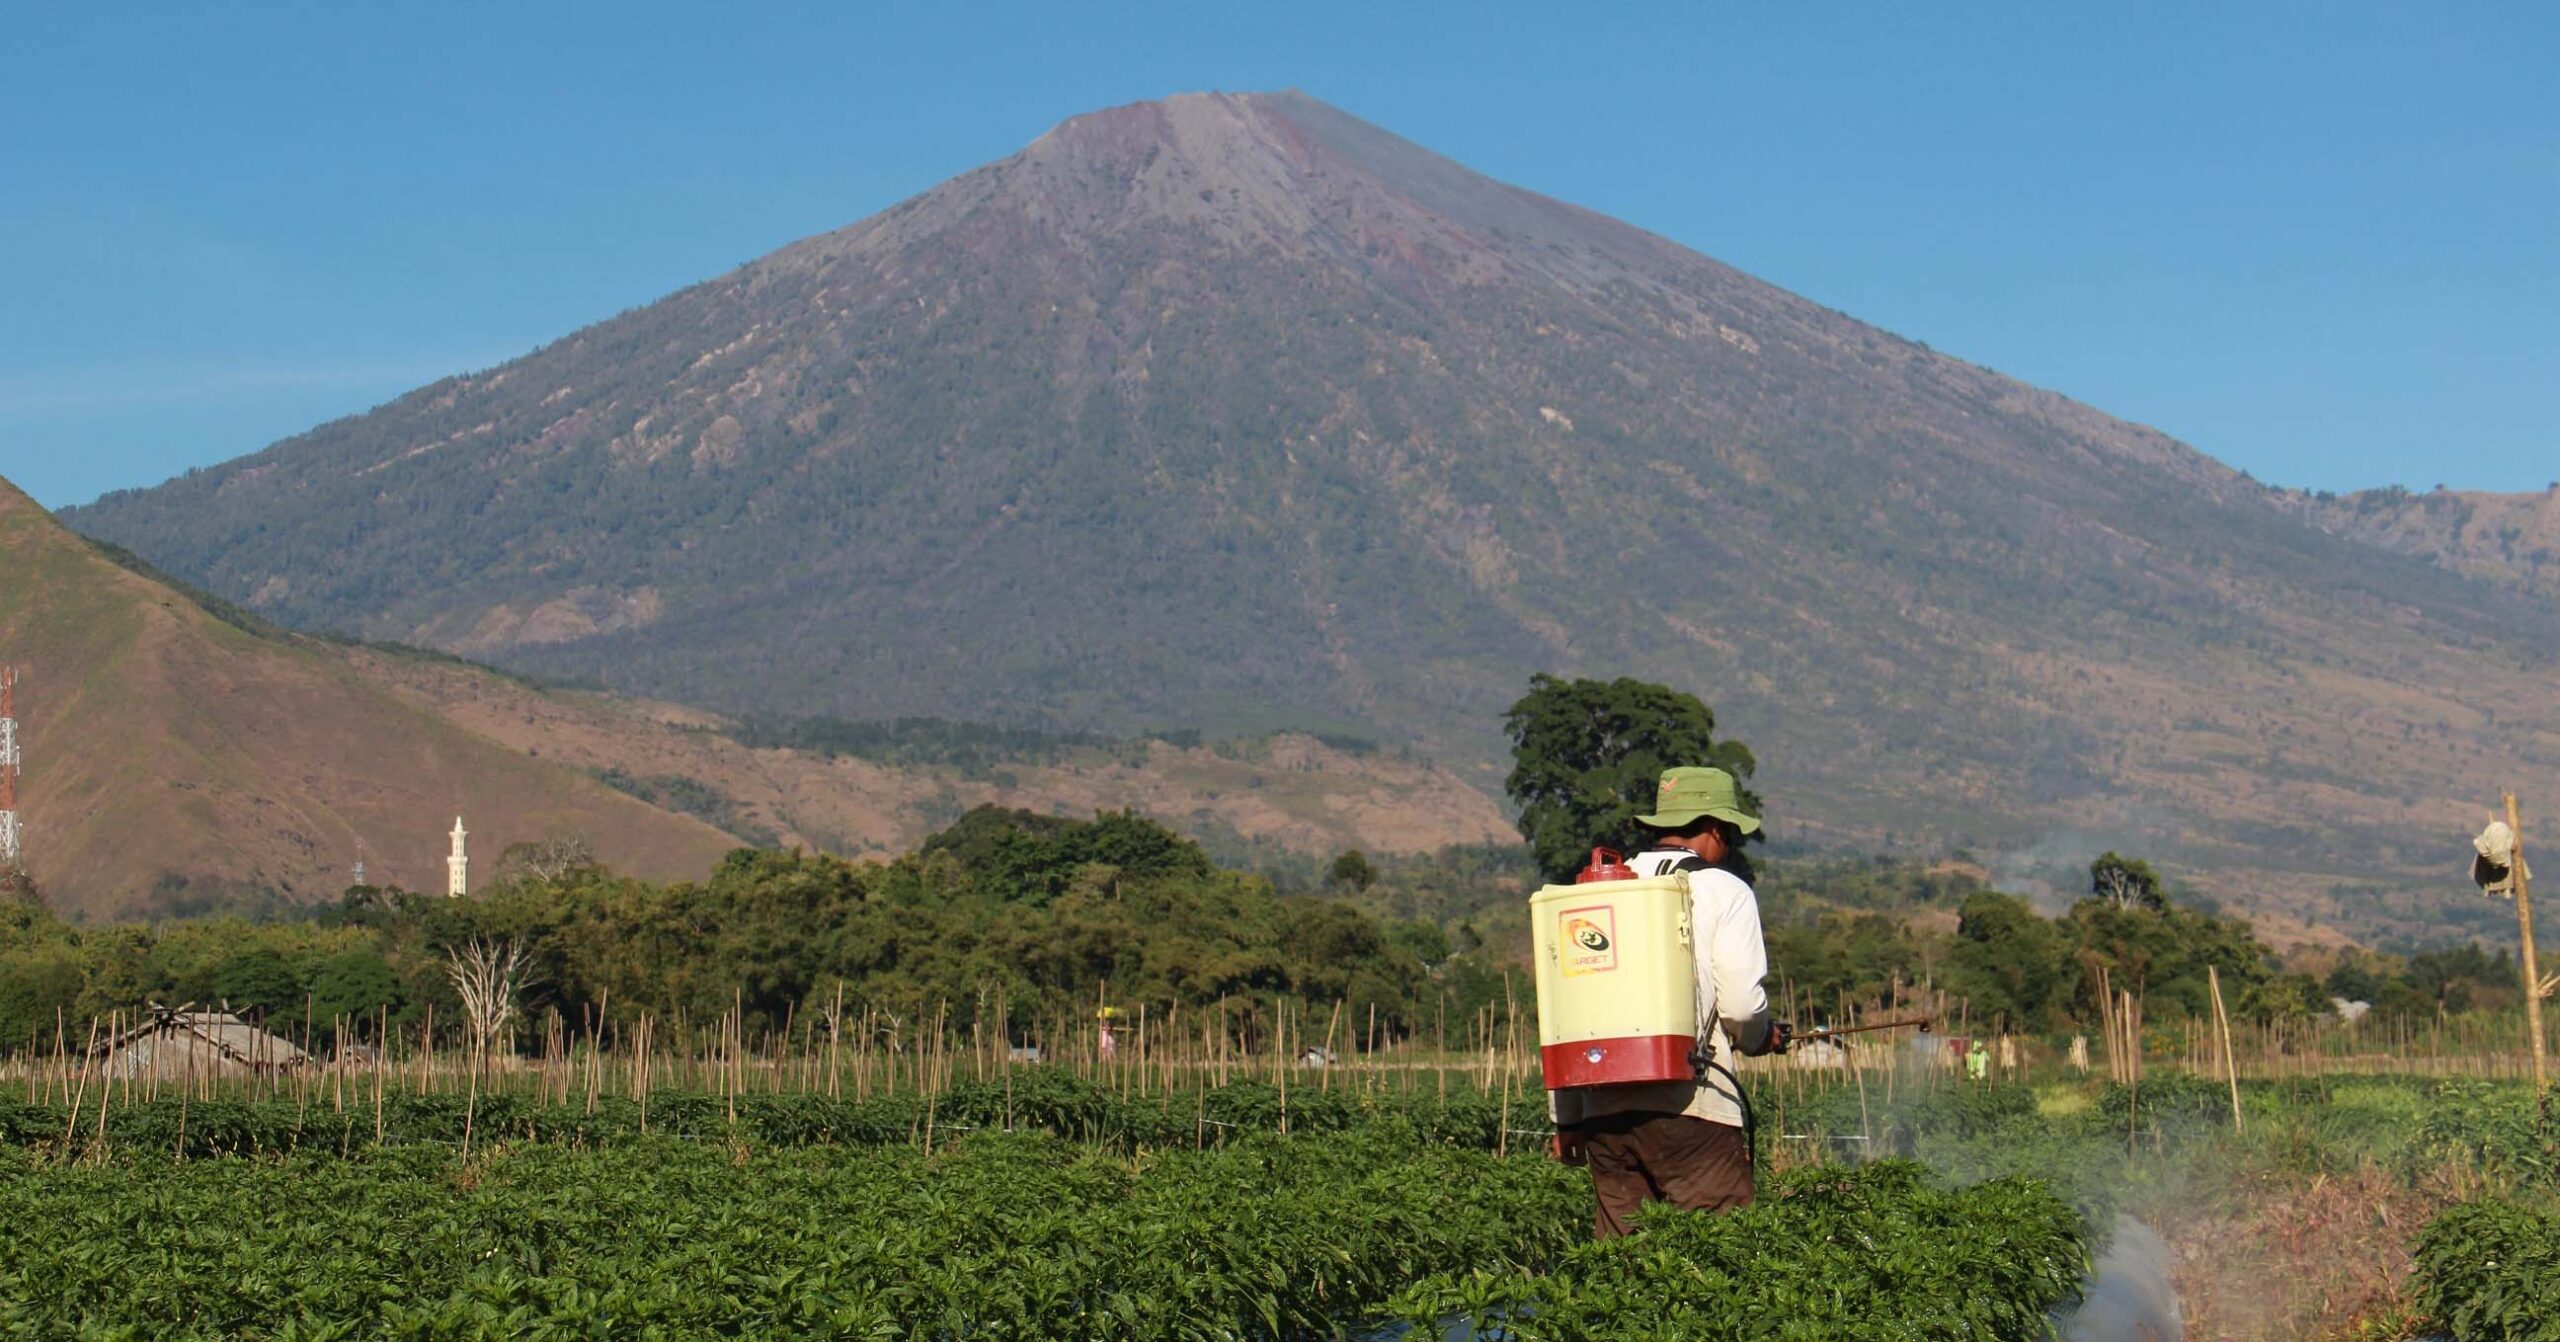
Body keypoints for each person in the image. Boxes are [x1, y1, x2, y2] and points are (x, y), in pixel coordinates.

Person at [1551, 766, 1788, 1239]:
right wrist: (1762, 1038)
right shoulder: (1724, 890)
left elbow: (1568, 1011)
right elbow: (1741, 1007)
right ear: (1716, 830)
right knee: (1726, 1258)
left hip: (1604, 1112)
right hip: (1692, 1105)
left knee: (1624, 1271)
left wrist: (1567, 1120)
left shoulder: (1594, 890)